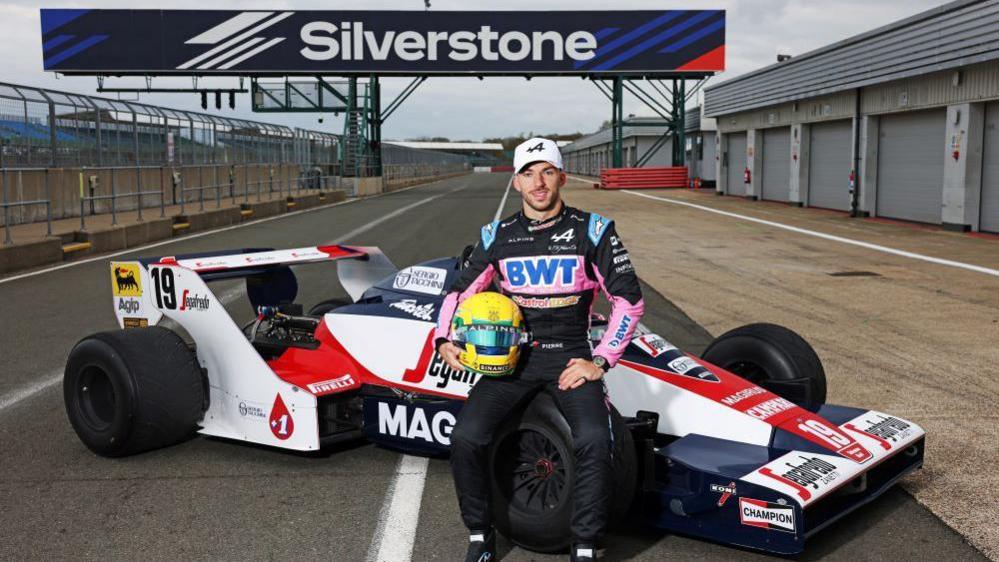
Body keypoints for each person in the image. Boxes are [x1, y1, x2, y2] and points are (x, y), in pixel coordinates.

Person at [434, 137, 645, 561]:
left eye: (547, 172)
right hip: (511, 362)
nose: (539, 182)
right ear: (516, 183)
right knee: (466, 436)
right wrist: (444, 339)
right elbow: (457, 293)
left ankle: (584, 544)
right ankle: (479, 535)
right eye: (529, 174)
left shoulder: (594, 229)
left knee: (591, 440)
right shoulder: (497, 236)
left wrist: (600, 360)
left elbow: (629, 300)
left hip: (570, 356)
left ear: (562, 177)